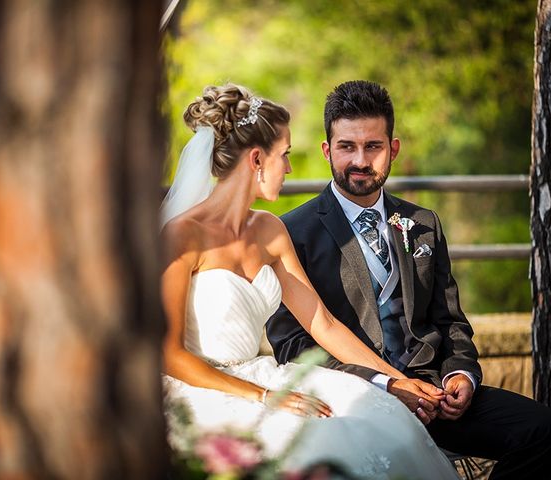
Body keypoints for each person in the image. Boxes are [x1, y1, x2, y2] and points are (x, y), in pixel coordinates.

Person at [161, 83, 460, 479]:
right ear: (256, 160)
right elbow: (167, 353)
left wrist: (397, 383)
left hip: (261, 372)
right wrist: (267, 398)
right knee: (306, 447)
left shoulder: (269, 229)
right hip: (203, 388)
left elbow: (322, 322)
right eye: (283, 156)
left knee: (377, 415)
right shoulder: (183, 234)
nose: (288, 168)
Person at [266, 80, 551, 479]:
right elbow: (292, 345)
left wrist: (460, 375)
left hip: (436, 394)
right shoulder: (292, 233)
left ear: (393, 150)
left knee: (541, 429)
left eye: (373, 147)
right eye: (347, 147)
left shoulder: (422, 223)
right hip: (356, 397)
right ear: (328, 151)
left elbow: (451, 321)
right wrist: (385, 384)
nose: (360, 161)